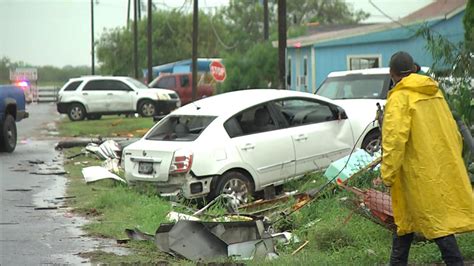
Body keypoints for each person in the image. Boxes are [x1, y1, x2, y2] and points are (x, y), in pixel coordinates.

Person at [381, 51, 474, 266]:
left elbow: (394, 141)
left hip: (415, 173)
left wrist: (387, 174)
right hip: (437, 167)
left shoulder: (400, 98)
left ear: (391, 73)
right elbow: (454, 133)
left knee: (435, 224)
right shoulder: (434, 93)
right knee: (406, 223)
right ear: (414, 69)